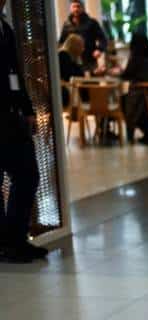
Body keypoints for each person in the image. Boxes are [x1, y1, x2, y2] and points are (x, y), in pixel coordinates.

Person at [1, 0, 46, 263]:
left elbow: (15, 72)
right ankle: (8, 243)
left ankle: (15, 239)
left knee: (28, 175)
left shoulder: (5, 28)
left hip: (11, 115)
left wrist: (27, 109)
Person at [58, 1, 107, 72]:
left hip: (89, 59)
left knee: (91, 80)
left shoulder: (92, 22)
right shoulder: (66, 25)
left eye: (78, 6)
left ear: (82, 8)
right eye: (74, 7)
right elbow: (61, 42)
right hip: (72, 61)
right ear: (70, 8)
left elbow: (103, 38)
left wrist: (99, 49)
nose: (76, 9)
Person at [58, 33, 87, 107]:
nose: (83, 49)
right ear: (75, 46)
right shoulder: (64, 55)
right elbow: (69, 75)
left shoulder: (69, 56)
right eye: (81, 46)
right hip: (67, 89)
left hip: (71, 87)